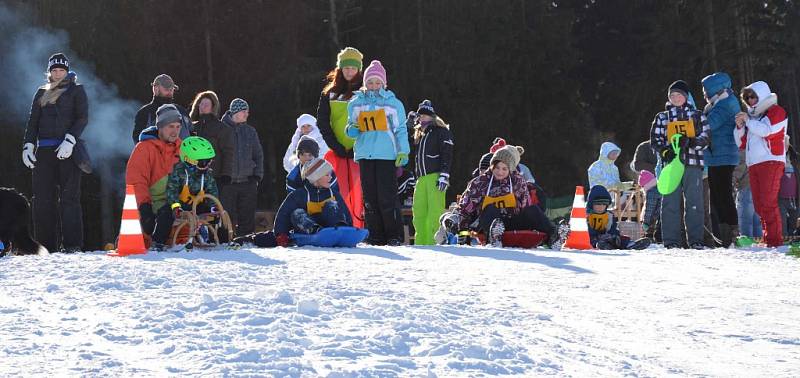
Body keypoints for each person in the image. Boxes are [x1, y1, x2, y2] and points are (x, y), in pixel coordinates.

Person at [22, 53, 89, 253]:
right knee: (42, 199)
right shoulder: (41, 92)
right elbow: (33, 122)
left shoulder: (77, 91)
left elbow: (82, 118)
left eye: (61, 70)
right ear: (49, 72)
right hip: (44, 150)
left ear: (67, 71)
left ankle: (72, 245)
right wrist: (28, 145)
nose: (58, 73)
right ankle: (45, 246)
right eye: (54, 70)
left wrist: (70, 139)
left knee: (70, 198)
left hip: (68, 149)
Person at [345, 60, 410, 246]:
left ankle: (394, 235)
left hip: (386, 155)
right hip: (365, 154)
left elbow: (401, 129)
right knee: (370, 198)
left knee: (387, 197)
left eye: (377, 82)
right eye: (370, 82)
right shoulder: (356, 103)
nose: (373, 86)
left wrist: (403, 151)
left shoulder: (393, 104)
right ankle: (375, 235)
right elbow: (351, 125)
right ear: (365, 83)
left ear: (384, 83)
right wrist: (352, 131)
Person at [454, 145, 557, 247]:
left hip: (512, 222)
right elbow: (465, 210)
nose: (500, 172)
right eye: (497, 168)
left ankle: (553, 236)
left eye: (504, 169)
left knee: (533, 209)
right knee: (490, 209)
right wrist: (464, 234)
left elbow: (525, 205)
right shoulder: (479, 183)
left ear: (510, 169)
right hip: (487, 224)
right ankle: (495, 237)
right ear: (492, 166)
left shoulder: (518, 181)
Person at [650, 80, 710, 249]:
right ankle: (671, 240)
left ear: (686, 96)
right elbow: (655, 139)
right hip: (671, 165)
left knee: (694, 202)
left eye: (679, 95)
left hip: (692, 162)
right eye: (672, 95)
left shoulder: (697, 115)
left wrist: (691, 141)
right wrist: (664, 151)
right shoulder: (662, 117)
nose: (676, 98)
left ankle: (696, 239)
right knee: (670, 202)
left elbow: (706, 138)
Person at [734, 81, 787, 247]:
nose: (750, 101)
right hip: (754, 164)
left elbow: (767, 131)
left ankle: (775, 240)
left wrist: (748, 121)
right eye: (747, 98)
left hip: (771, 161)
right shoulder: (753, 117)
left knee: (768, 202)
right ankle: (768, 237)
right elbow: (740, 143)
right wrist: (740, 127)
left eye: (753, 96)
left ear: (762, 95)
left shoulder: (776, 111)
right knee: (758, 205)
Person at [316, 47, 365, 227]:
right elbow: (322, 122)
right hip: (337, 152)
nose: (349, 72)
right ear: (340, 69)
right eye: (346, 68)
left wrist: (357, 147)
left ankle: (361, 227)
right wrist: (335, 146)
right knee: (340, 192)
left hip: (361, 151)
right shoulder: (329, 93)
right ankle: (341, 224)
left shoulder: (365, 91)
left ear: (359, 69)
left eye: (353, 68)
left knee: (360, 194)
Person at [125, 104, 183, 250]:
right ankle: (156, 242)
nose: (175, 131)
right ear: (160, 127)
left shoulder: (183, 147)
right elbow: (137, 181)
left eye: (178, 126)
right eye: (171, 126)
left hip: (178, 201)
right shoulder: (144, 148)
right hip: (154, 203)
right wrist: (144, 208)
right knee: (166, 213)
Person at [273, 158, 352, 247]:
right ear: (316, 177)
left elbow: (345, 212)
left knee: (332, 205)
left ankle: (340, 228)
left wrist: (350, 229)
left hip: (330, 229)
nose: (331, 177)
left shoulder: (333, 194)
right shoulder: (299, 195)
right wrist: (281, 234)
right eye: (327, 175)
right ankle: (315, 230)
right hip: (307, 230)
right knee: (297, 213)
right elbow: (284, 215)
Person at [701, 72, 740, 246]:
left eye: (706, 90)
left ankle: (730, 233)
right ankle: (722, 234)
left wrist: (696, 121)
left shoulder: (726, 104)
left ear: (716, 90)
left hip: (723, 157)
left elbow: (710, 124)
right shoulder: (718, 104)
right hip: (717, 157)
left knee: (723, 196)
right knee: (717, 197)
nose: (704, 93)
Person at [408, 100, 454, 245]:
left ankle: (434, 242)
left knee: (434, 212)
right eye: (420, 115)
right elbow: (407, 148)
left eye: (426, 115)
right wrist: (408, 126)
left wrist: (444, 175)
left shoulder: (441, 132)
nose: (422, 118)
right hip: (421, 178)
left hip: (435, 177)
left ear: (433, 116)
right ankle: (420, 242)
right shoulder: (420, 134)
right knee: (419, 211)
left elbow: (447, 154)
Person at [164, 137, 221, 249]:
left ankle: (221, 239)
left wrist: (213, 207)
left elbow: (212, 191)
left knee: (220, 214)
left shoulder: (207, 175)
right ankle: (159, 241)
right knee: (164, 215)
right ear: (189, 161)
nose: (206, 166)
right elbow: (172, 190)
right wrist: (176, 207)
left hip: (197, 206)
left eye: (208, 162)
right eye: (203, 162)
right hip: (180, 206)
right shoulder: (179, 172)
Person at [220, 98, 263, 236]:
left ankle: (246, 239)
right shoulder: (221, 130)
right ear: (236, 112)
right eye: (245, 111)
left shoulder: (250, 131)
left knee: (247, 214)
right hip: (227, 182)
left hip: (247, 181)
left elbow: (258, 154)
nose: (247, 114)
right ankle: (224, 240)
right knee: (225, 215)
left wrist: (257, 176)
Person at [189, 91, 234, 189]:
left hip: (215, 177)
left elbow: (228, 153)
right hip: (194, 177)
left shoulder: (222, 128)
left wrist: (226, 174)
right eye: (201, 104)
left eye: (206, 104)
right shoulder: (191, 127)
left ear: (212, 107)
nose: (203, 106)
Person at [586, 185, 650, 250]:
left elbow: (613, 229)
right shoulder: (587, 216)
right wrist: (600, 235)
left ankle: (630, 244)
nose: (601, 207)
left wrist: (614, 235)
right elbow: (588, 231)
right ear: (591, 204)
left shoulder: (609, 216)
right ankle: (604, 246)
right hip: (593, 239)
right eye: (598, 204)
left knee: (620, 238)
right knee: (596, 241)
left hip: (608, 237)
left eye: (604, 204)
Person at [132, 74, 191, 143]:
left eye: (172, 89)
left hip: (183, 153)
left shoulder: (181, 110)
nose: (170, 92)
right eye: (166, 89)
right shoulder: (145, 112)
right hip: (157, 153)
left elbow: (192, 132)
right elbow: (138, 140)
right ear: (155, 89)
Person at [733, 149, 762, 239]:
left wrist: (732, 180)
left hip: (746, 186)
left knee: (745, 218)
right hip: (759, 187)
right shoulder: (758, 148)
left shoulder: (743, 149)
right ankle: (758, 239)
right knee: (757, 219)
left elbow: (740, 167)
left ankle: (747, 241)